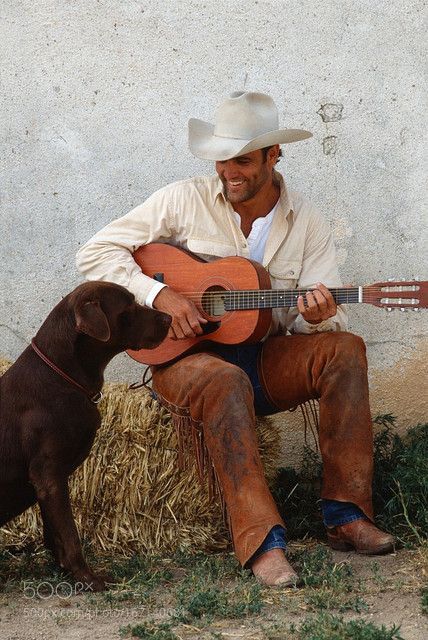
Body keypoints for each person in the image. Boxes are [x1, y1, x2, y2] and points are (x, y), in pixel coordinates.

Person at [76, 91, 395, 586]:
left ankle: (347, 515)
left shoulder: (307, 222)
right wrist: (159, 295)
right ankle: (262, 542)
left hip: (265, 359)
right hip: (188, 362)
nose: (230, 172)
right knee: (224, 379)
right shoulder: (183, 199)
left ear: (274, 156)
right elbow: (95, 253)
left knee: (344, 348)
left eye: (243, 159)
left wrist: (317, 317)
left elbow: (316, 323)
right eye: (222, 160)